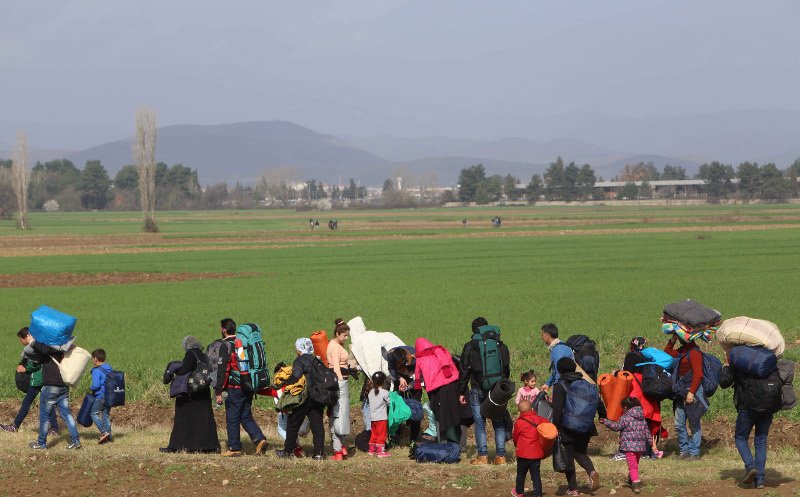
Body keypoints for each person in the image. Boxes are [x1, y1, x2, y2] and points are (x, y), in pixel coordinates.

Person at [458, 316, 511, 465]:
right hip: (497, 389)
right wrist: (501, 386)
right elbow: (506, 368)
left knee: (480, 423)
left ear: (474, 331)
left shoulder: (471, 346)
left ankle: (482, 456)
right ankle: (501, 456)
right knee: (498, 421)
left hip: (477, 388)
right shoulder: (501, 345)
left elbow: (464, 370)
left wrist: (462, 391)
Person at [719, 351, 776, 489]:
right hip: (768, 405)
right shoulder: (768, 357)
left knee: (741, 438)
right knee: (761, 440)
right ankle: (760, 480)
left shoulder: (740, 359)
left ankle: (751, 467)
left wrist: (727, 365)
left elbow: (724, 382)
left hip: (747, 406)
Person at [215, 319, 268, 457]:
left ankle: (234, 448)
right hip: (248, 384)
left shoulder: (226, 346)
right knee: (245, 415)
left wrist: (219, 390)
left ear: (223, 330)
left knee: (232, 417)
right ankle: (260, 439)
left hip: (234, 387)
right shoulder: (243, 344)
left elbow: (224, 370)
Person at [160, 336, 220, 453]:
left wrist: (175, 369)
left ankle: (177, 446)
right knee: (204, 419)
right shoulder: (204, 355)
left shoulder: (191, 354)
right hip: (203, 391)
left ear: (187, 345)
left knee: (183, 419)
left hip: (191, 393)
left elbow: (184, 370)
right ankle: (209, 446)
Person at [551, 358, 602, 496]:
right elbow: (598, 402)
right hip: (586, 426)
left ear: (560, 370)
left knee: (568, 457)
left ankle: (573, 489)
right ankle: (591, 471)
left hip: (568, 427)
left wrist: (556, 427)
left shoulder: (560, 386)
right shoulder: (586, 384)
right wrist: (603, 416)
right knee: (580, 453)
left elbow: (557, 410)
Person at [27, 334, 82, 450]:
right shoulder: (64, 347)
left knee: (44, 416)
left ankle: (41, 443)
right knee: (67, 414)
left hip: (51, 387)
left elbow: (42, 351)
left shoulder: (50, 348)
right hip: (64, 386)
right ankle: (76, 441)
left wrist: (32, 341)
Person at [275, 338, 326, 460]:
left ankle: (288, 451)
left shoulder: (299, 361)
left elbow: (296, 376)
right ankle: (318, 453)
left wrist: (284, 383)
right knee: (317, 426)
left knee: (293, 424)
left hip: (304, 397)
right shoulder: (317, 361)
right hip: (318, 397)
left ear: (299, 350)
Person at [1, 328, 60, 434]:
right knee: (47, 403)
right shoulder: (36, 346)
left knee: (27, 403)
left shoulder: (33, 348)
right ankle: (54, 429)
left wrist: (25, 369)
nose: (20, 342)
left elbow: (37, 364)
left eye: (21, 339)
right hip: (42, 379)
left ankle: (15, 426)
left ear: (26, 338)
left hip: (38, 380)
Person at [621, 336, 666, 460]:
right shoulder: (649, 357)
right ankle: (649, 451)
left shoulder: (631, 356)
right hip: (650, 392)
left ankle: (635, 451)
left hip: (636, 391)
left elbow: (627, 374)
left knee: (634, 422)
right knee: (648, 422)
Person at [664, 330, 704, 460]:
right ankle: (684, 451)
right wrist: (672, 340)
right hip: (680, 392)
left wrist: (691, 393)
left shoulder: (695, 353)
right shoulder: (682, 351)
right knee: (679, 423)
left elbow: (698, 374)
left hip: (691, 392)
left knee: (693, 422)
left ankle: (694, 452)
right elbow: (667, 354)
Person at [600, 397, 650, 494]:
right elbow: (647, 431)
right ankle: (631, 479)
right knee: (635, 464)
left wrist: (606, 421)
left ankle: (636, 484)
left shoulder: (625, 417)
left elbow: (617, 427)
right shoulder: (642, 417)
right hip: (640, 447)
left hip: (629, 446)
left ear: (626, 407)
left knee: (632, 466)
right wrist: (651, 443)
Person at [511, 400, 549, 497]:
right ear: (532, 409)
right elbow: (548, 426)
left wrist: (516, 445)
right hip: (536, 454)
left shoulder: (519, 422)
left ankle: (519, 492)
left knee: (521, 474)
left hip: (523, 454)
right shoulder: (540, 420)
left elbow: (515, 437)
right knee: (536, 475)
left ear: (519, 412)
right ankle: (538, 494)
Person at [387, 344, 423, 444]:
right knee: (396, 405)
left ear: (406, 358)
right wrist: (400, 378)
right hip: (400, 378)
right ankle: (395, 434)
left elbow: (420, 376)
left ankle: (414, 437)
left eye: (401, 363)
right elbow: (391, 369)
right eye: (397, 364)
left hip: (414, 379)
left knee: (415, 405)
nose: (399, 365)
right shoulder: (390, 355)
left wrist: (409, 386)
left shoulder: (415, 358)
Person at [327, 318, 352, 460]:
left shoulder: (338, 345)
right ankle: (338, 450)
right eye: (344, 335)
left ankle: (341, 447)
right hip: (338, 384)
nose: (346, 338)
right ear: (337, 333)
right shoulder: (334, 347)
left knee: (342, 414)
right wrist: (341, 384)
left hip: (342, 382)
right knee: (337, 414)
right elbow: (336, 367)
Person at [89, 349, 114, 444]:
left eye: (92, 358)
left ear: (95, 359)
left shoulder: (96, 370)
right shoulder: (109, 368)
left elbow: (96, 385)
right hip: (110, 396)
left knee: (93, 414)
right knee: (106, 416)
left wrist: (90, 388)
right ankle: (109, 436)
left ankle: (104, 432)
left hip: (101, 396)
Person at [540, 323, 574, 391]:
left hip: (567, 386)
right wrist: (547, 384)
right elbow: (555, 370)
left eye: (542, 335)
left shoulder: (558, 350)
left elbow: (559, 373)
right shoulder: (559, 345)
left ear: (547, 335)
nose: (541, 337)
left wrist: (556, 391)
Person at [368, 371, 391, 457]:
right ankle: (381, 452)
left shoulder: (370, 392)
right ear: (384, 381)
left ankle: (371, 450)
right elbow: (389, 403)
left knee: (374, 434)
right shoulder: (385, 392)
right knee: (381, 434)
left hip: (373, 418)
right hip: (381, 418)